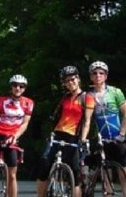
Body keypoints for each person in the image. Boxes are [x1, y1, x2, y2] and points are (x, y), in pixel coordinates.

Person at [36, 66, 94, 197]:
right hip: (57, 134)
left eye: (72, 79)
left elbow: (87, 121)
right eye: (67, 81)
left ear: (78, 79)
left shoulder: (87, 97)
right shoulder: (65, 98)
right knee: (43, 169)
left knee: (75, 174)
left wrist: (83, 139)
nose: (70, 82)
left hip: (73, 136)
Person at [88, 61, 126, 189]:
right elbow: (86, 120)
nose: (98, 76)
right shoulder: (89, 95)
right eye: (94, 73)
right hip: (103, 140)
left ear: (106, 76)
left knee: (125, 177)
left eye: (101, 73)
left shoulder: (115, 92)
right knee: (106, 179)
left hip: (119, 138)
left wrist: (122, 134)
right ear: (91, 77)